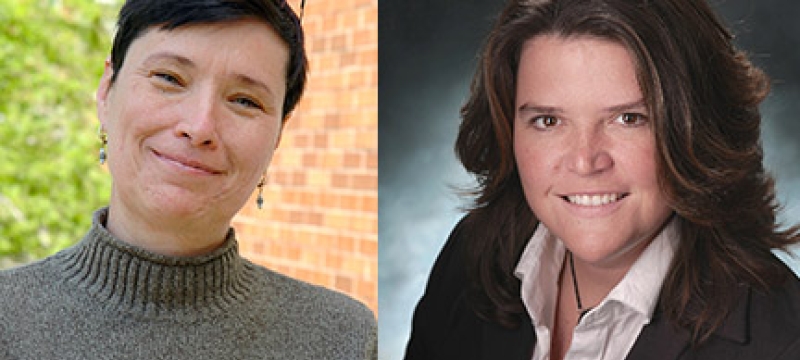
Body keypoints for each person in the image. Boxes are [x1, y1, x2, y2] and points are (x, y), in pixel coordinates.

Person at [404, 0, 800, 359]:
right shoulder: (471, 256)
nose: (585, 161)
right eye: (548, 121)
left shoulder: (781, 342)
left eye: (628, 119)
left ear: (695, 130)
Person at [0, 0, 377, 359]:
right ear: (106, 90)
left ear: (278, 134)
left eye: (245, 101)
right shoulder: (9, 320)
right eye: (169, 78)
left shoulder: (344, 338)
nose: (200, 127)